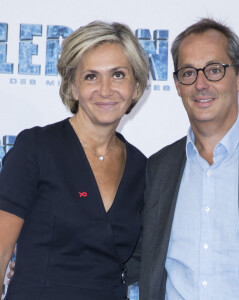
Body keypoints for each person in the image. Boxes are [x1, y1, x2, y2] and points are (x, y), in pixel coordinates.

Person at [139, 18, 239, 299]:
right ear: (177, 85)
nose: (201, 84)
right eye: (188, 72)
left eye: (214, 70)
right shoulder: (159, 167)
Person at [0, 20, 148, 300]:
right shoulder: (36, 148)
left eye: (118, 75)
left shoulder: (143, 168)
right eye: (91, 76)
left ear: (136, 86)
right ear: (73, 87)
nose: (106, 89)